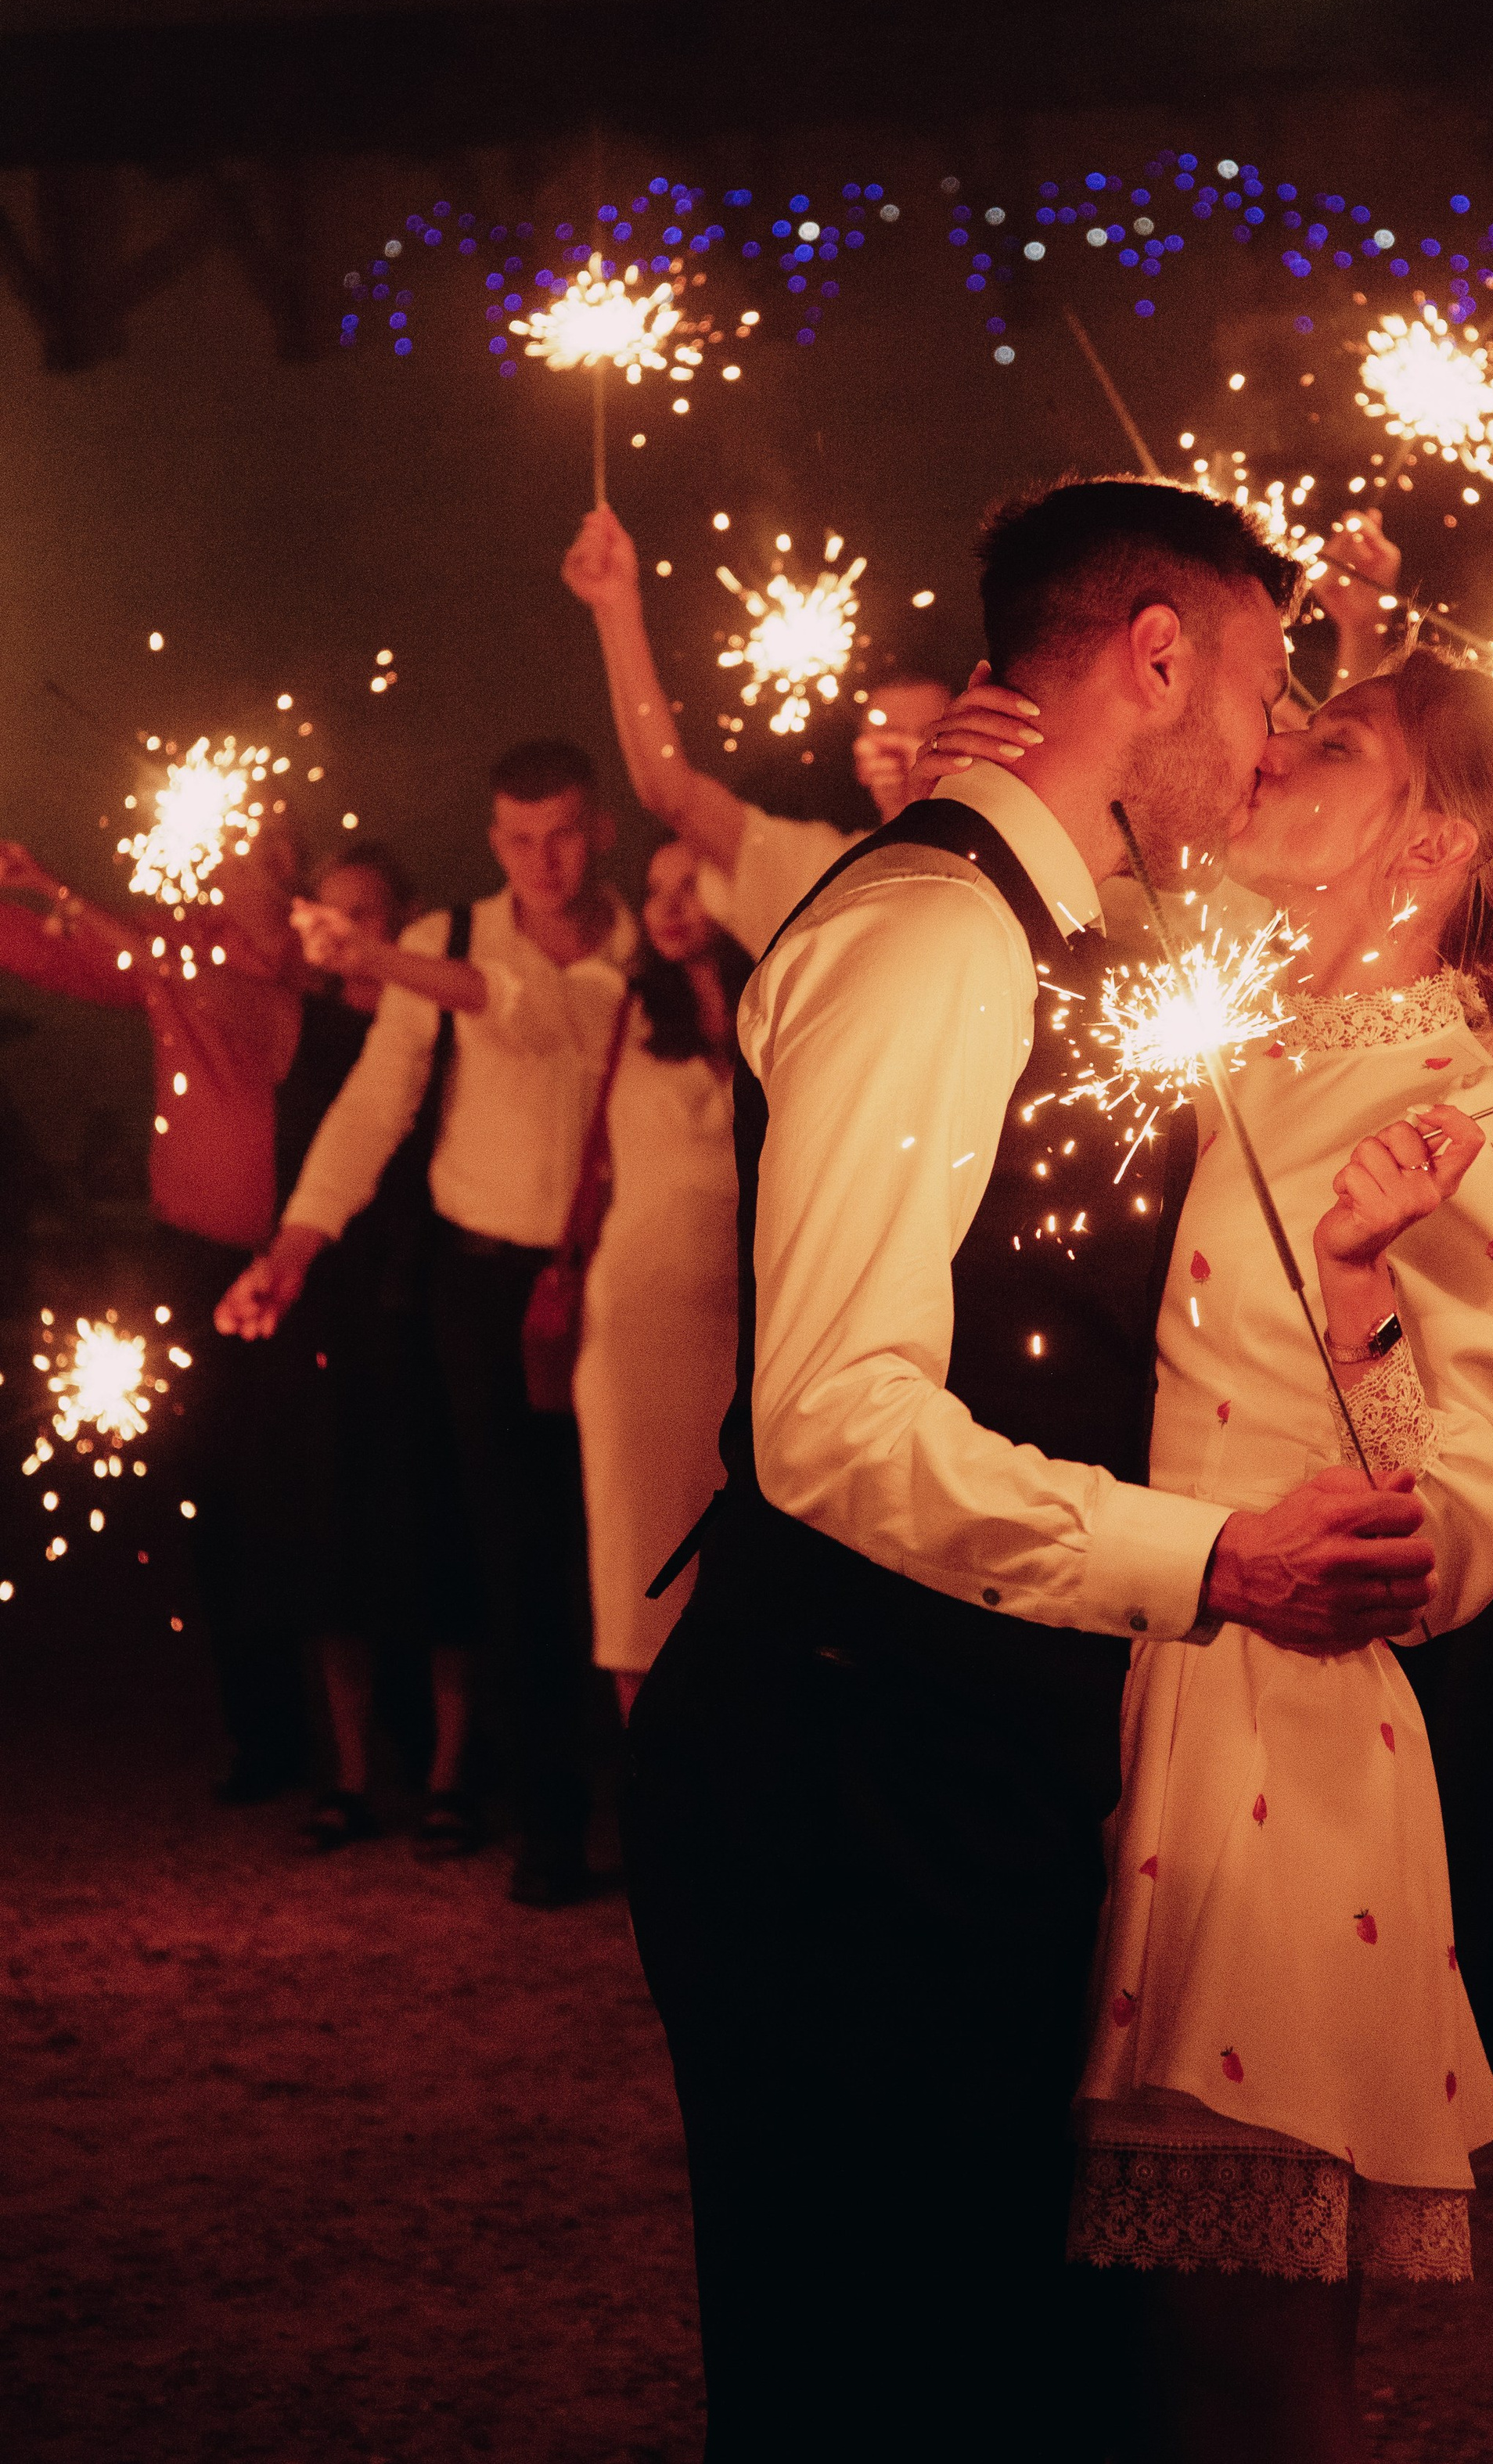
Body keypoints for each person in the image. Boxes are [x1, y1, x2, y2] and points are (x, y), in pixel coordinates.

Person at [622, 477, 1467, 2464]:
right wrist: (1213, 1558)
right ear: (1150, 656)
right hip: (846, 1764)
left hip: (956, 1739)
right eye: (1261, 688)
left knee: (991, 2356)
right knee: (872, 2360)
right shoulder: (931, 933)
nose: (1269, 739)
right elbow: (834, 1414)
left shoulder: (1065, 915)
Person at [934, 643, 1493, 2462]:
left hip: (1265, 1748)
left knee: (1243, 2370)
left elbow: (1452, 1528)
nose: (1268, 756)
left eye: (1324, 742)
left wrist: (1354, 1290)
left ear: (1432, 836)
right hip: (1073, 1680)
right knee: (1086, 2362)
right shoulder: (1196, 1019)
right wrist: (959, 789)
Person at [219, 740, 635, 1909]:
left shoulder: (649, 944)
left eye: (561, 832)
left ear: (598, 828)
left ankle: (661, 1809)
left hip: (634, 1278)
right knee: (514, 1554)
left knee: (634, 1550)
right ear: (493, 837)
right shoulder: (450, 940)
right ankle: (549, 1825)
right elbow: (371, 1109)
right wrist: (293, 1248)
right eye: (516, 837)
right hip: (486, 1280)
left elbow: (570, 1021)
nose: (540, 860)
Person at [294, 829, 746, 1722]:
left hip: (761, 1329)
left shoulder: (790, 1015)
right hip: (633, 1329)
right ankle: (639, 1821)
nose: (670, 905)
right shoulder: (611, 1005)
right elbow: (502, 995)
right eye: (657, 887)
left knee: (749, 1582)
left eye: (695, 884)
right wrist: (373, 952)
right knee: (625, 1577)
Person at [0, 825, 313, 1798]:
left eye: (251, 852)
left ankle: (375, 1738)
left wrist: (52, 879)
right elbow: (54, 956)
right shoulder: (182, 943)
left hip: (315, 1265)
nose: (229, 866)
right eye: (222, 854)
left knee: (322, 1491)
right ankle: (263, 1736)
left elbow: (205, 990)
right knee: (218, 1492)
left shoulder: (327, 954)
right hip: (196, 1257)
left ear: (287, 868)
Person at [277, 843, 481, 1852]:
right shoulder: (296, 1024)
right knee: (334, 1541)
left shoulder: (442, 1019)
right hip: (332, 1309)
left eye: (371, 911)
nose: (350, 927)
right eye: (332, 909)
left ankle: (450, 1776)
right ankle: (350, 1776)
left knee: (442, 1534)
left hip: (433, 1298)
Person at [561, 499, 952, 957]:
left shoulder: (1011, 864)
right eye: (887, 730)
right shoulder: (813, 870)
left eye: (928, 732)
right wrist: (616, 608)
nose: (905, 750)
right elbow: (674, 795)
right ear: (861, 760)